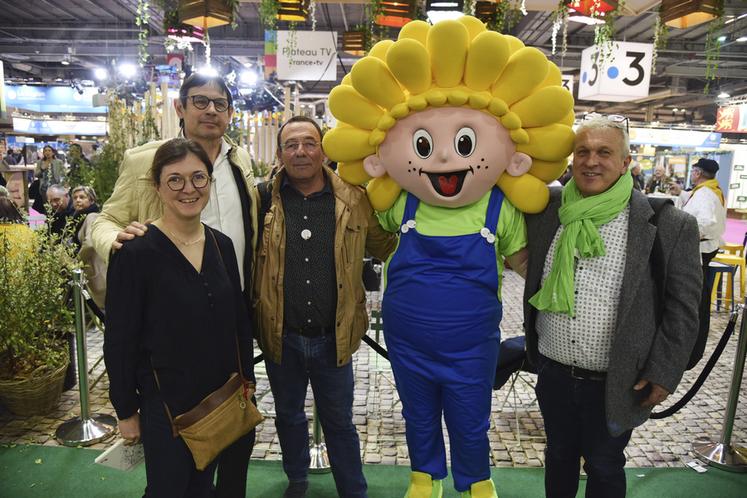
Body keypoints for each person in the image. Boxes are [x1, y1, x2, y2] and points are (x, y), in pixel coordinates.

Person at [322, 17, 574, 498]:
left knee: (469, 413)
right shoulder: (402, 204)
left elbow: (525, 264)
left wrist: (562, 295)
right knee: (416, 411)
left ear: (514, 155)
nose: (442, 159)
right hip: (407, 338)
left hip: (472, 343)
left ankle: (476, 478)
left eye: (463, 143)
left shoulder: (500, 209)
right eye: (422, 145)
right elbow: (358, 216)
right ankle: (424, 476)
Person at [91, 73, 257, 498]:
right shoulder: (140, 236)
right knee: (171, 484)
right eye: (200, 101)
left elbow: (239, 309)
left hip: (220, 377)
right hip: (166, 384)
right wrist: (123, 245)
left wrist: (246, 376)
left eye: (219, 103)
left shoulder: (240, 167)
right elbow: (121, 336)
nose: (210, 110)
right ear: (180, 107)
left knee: (218, 476)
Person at [524, 115, 702, 498]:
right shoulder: (547, 210)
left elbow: (683, 309)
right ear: (571, 160)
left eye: (605, 152)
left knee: (605, 466)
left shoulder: (669, 224)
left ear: (625, 162)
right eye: (583, 151)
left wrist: (665, 372)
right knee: (557, 456)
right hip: (553, 372)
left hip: (618, 379)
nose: (591, 161)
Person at [254, 115, 396, 498]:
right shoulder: (264, 201)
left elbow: (388, 247)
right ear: (281, 153)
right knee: (288, 416)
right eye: (291, 144)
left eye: (309, 142)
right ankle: (297, 479)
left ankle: (353, 489)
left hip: (334, 337)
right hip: (281, 334)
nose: (300, 151)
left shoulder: (353, 199)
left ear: (323, 149)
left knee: (340, 422)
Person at [670, 158, 726, 365]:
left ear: (698, 173)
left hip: (699, 251)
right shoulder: (712, 190)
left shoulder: (705, 193)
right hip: (706, 249)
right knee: (698, 297)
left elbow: (704, 222)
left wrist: (683, 235)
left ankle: (691, 344)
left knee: (694, 299)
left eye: (694, 171)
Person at [71, 186, 106, 308]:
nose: (78, 200)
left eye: (82, 197)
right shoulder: (78, 218)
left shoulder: (92, 216)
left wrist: (76, 263)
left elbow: (90, 244)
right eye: (75, 198)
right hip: (91, 271)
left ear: (91, 200)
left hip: (97, 271)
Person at [35, 145, 65, 214]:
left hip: (55, 186)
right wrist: (42, 169)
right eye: (45, 151)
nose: (47, 152)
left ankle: (56, 218)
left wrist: (62, 184)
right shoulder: (40, 162)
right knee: (47, 205)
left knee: (56, 204)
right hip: (44, 188)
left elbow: (63, 174)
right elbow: (36, 175)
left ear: (53, 152)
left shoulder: (58, 162)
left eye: (49, 150)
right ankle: (48, 219)